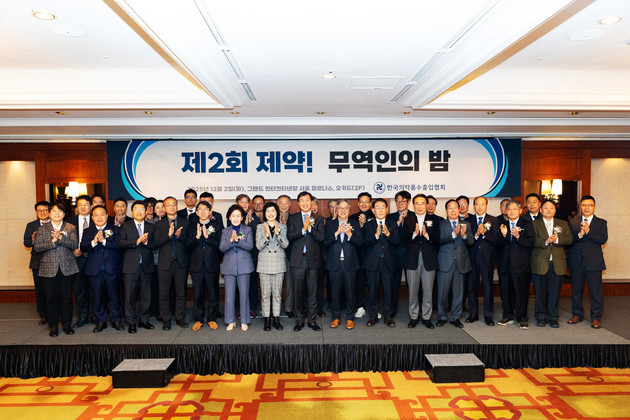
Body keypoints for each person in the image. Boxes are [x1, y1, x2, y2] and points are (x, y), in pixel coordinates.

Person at [34, 202, 79, 337]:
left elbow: (74, 244)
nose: (57, 214)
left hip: (67, 267)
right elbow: (37, 247)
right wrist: (52, 242)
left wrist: (60, 238)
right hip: (49, 268)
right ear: (49, 213)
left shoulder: (70, 227)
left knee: (67, 298)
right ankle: (53, 326)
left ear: (64, 214)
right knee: (51, 299)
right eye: (54, 211)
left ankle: (67, 325)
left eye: (60, 211)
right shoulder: (42, 229)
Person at [80, 205, 123, 333]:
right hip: (94, 270)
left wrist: (104, 241)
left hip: (112, 269)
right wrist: (94, 242)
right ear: (92, 217)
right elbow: (83, 247)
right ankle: (101, 321)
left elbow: (119, 245)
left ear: (107, 216)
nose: (99, 217)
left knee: (115, 296)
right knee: (97, 297)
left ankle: (116, 320)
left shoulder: (115, 229)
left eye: (102, 214)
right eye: (96, 215)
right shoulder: (88, 231)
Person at [567, 195, 608, 329]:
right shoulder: (573, 222)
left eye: (590, 205)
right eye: (584, 205)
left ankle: (596, 317)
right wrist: (580, 234)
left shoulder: (601, 222)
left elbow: (603, 239)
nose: (587, 208)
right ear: (580, 206)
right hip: (576, 261)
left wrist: (589, 232)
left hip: (594, 262)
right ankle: (577, 314)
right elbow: (568, 240)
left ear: (594, 207)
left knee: (596, 292)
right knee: (576, 290)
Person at [530, 199, 572, 328]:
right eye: (546, 208)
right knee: (540, 292)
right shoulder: (534, 224)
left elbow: (569, 239)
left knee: (554, 292)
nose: (549, 210)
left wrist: (557, 239)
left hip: (557, 263)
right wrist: (546, 241)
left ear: (555, 210)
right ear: (540, 210)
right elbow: (531, 240)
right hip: (540, 263)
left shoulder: (563, 223)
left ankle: (553, 317)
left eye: (552, 208)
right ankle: (541, 317)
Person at [287, 191, 325, 332]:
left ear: (311, 202)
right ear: (298, 203)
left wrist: (309, 227)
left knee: (312, 292)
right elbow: (290, 236)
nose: (304, 203)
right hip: (298, 260)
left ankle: (312, 320)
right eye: (302, 201)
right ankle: (299, 320)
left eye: (307, 200)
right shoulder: (293, 218)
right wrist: (303, 230)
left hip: (313, 260)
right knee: (298, 292)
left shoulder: (318, 218)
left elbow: (321, 237)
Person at [401, 193, 440, 329]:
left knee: (428, 290)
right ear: (413, 205)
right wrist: (414, 234)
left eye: (422, 203)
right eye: (416, 203)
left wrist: (427, 235)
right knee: (413, 290)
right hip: (412, 259)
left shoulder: (435, 219)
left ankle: (426, 317)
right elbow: (403, 239)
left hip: (429, 260)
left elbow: (438, 239)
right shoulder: (408, 219)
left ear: (426, 205)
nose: (419, 206)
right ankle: (414, 316)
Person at [324, 199, 363, 330]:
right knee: (335, 292)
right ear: (336, 210)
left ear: (349, 210)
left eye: (345, 208)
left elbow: (360, 242)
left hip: (350, 263)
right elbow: (325, 242)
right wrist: (336, 233)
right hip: (334, 263)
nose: (342, 210)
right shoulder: (330, 224)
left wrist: (349, 234)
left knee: (351, 292)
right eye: (340, 208)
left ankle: (350, 318)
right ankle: (336, 317)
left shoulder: (355, 223)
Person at [118, 201, 156, 333]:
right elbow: (120, 243)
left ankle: (144, 319)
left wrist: (146, 242)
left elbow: (155, 245)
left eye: (142, 209)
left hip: (147, 265)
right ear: (132, 212)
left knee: (146, 295)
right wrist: (137, 241)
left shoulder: (151, 227)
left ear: (146, 212)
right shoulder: (125, 226)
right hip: (130, 266)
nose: (139, 212)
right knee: (129, 295)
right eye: (136, 209)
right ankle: (131, 321)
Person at [185, 201, 223, 331]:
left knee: (213, 294)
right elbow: (187, 246)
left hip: (212, 264)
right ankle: (199, 319)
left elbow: (220, 246)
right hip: (197, 266)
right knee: (197, 294)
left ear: (210, 211)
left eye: (205, 209)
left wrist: (207, 237)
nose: (202, 211)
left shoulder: (217, 226)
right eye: (200, 209)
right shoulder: (191, 227)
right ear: (196, 212)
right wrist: (197, 237)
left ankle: (212, 319)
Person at [436, 200, 474, 328]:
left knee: (458, 293)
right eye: (450, 208)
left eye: (455, 208)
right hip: (445, 262)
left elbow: (471, 242)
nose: (453, 210)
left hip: (460, 263)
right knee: (442, 293)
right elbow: (439, 240)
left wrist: (464, 236)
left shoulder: (466, 224)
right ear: (446, 210)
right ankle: (442, 316)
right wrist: (453, 234)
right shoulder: (441, 224)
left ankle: (455, 317)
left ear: (459, 209)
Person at [497, 200, 534, 329]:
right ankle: (507, 315)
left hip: (521, 264)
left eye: (514, 209)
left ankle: (522, 317)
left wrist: (518, 237)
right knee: (506, 292)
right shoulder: (501, 224)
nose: (512, 211)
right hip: (504, 264)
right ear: (505, 211)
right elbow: (497, 244)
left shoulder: (527, 224)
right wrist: (504, 236)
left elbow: (530, 242)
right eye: (509, 209)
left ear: (520, 211)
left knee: (521, 293)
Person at [362, 198, 400, 327]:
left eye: (383, 207)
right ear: (373, 210)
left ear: (387, 209)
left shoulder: (393, 224)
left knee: (388, 290)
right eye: (377, 207)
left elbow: (397, 242)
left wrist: (388, 234)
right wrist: (376, 236)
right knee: (373, 290)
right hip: (372, 263)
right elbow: (364, 243)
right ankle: (373, 316)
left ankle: (388, 316)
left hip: (388, 262)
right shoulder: (368, 225)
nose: (380, 210)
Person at [154, 196, 189, 330]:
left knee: (181, 293)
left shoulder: (185, 222)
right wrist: (168, 235)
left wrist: (179, 236)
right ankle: (166, 319)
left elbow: (189, 242)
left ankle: (180, 318)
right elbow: (156, 242)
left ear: (177, 206)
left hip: (180, 263)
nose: (172, 207)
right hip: (164, 264)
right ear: (164, 207)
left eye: (174, 204)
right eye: (168, 205)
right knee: (164, 294)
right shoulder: (159, 224)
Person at [220, 204, 255, 331]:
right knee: (229, 296)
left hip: (244, 266)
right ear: (229, 218)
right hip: (229, 266)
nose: (235, 218)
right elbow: (222, 248)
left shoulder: (248, 230)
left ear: (242, 217)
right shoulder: (225, 231)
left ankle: (244, 320)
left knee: (244, 294)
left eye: (238, 216)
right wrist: (231, 241)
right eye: (233, 216)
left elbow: (250, 246)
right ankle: (231, 320)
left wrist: (238, 241)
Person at [465, 196, 498, 326]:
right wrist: (476, 235)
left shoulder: (493, 220)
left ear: (486, 206)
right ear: (474, 206)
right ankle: (473, 313)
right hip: (472, 257)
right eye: (477, 204)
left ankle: (488, 315)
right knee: (472, 286)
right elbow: (466, 239)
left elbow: (497, 239)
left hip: (487, 258)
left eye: (482, 204)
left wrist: (485, 234)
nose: (479, 207)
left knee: (488, 287)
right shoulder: (468, 220)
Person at [256, 202, 289, 331]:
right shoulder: (260, 227)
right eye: (268, 211)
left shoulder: (282, 226)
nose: (270, 213)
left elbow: (285, 245)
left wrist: (278, 234)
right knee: (265, 294)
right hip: (264, 263)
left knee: (277, 294)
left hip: (278, 263)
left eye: (273, 211)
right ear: (265, 213)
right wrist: (266, 235)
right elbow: (258, 246)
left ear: (277, 213)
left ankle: (276, 318)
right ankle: (266, 319)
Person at [66, 194, 94, 328]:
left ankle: (94, 315)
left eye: (86, 204)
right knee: (79, 288)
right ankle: (83, 316)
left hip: (94, 258)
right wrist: (73, 250)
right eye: (80, 205)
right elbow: (64, 239)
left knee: (94, 288)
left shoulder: (97, 218)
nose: (83, 207)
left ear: (91, 206)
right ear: (77, 207)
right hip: (76, 259)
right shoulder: (69, 221)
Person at [23, 200, 50, 325]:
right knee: (40, 290)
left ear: (49, 211)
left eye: (45, 210)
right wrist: (33, 240)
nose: (42, 212)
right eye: (39, 211)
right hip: (37, 262)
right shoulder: (31, 225)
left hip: (54, 260)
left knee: (53, 289)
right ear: (36, 212)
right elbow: (26, 243)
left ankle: (55, 313)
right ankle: (43, 314)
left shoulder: (56, 223)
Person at [386, 190, 411, 317]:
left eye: (403, 201)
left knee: (413, 285)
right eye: (398, 201)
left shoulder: (414, 216)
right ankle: (392, 310)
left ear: (408, 202)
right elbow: (389, 234)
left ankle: (415, 312)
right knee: (393, 284)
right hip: (395, 255)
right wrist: (398, 222)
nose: (400, 203)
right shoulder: (390, 217)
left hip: (411, 255)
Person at [236, 194, 261, 318]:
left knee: (252, 283)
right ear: (237, 203)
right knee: (238, 284)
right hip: (238, 256)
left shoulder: (255, 218)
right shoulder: (233, 217)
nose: (244, 204)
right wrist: (244, 223)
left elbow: (256, 235)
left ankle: (252, 307)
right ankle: (239, 308)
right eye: (242, 202)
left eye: (246, 202)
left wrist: (250, 222)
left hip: (253, 256)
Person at [350, 192, 374, 318]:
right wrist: (360, 226)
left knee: (373, 284)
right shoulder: (352, 218)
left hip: (372, 256)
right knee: (359, 283)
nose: (364, 204)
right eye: (361, 202)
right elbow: (354, 238)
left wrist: (365, 225)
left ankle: (373, 308)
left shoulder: (375, 216)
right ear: (358, 203)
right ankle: (360, 307)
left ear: (370, 203)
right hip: (357, 256)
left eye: (366, 202)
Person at [277, 194, 294, 317]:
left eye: (286, 203)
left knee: (289, 283)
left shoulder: (295, 218)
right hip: (275, 255)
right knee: (275, 284)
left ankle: (289, 308)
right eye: (281, 203)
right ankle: (275, 309)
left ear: (290, 205)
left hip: (290, 254)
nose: (284, 205)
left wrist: (286, 225)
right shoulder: (271, 216)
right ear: (278, 204)